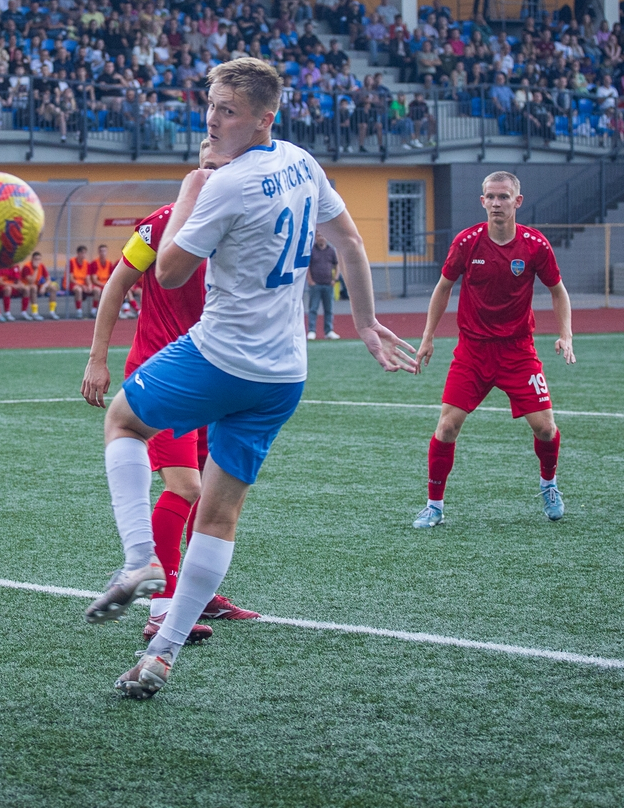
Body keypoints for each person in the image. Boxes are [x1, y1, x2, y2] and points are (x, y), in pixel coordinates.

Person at [90, 57, 416, 699]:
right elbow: (349, 239)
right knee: (218, 514)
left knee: (123, 420)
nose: (212, 118)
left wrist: (189, 189)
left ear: (263, 118)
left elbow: (170, 275)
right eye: (210, 104)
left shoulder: (225, 185)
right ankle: (162, 654)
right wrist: (367, 321)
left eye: (228, 110)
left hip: (221, 357)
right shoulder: (302, 161)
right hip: (284, 374)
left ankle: (140, 558)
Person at [81, 141, 259, 649]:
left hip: (212, 374)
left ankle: (196, 596)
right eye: (205, 166)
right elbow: (117, 285)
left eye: (222, 167)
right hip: (164, 375)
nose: (212, 175)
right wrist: (98, 358)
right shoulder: (159, 225)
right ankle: (161, 608)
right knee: (186, 488)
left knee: (212, 494)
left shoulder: (243, 227)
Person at [411, 171, 576, 529]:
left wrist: (566, 334)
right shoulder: (467, 242)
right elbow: (443, 288)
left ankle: (549, 485)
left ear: (517, 201)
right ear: (482, 201)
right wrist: (428, 336)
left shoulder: (535, 245)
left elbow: (558, 291)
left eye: (503, 197)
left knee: (546, 429)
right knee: (447, 427)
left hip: (518, 351)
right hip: (473, 351)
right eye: (490, 197)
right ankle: (434, 506)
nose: (496, 203)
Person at [304, 233, 338, 340]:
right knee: (313, 308)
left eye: (323, 236)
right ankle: (312, 331)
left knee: (329, 309)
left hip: (328, 284)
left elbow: (337, 264)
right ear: (316, 238)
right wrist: (310, 280)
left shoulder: (331, 251)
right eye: (319, 236)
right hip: (315, 285)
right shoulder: (311, 251)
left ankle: (329, 331)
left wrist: (335, 279)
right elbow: (307, 266)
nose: (321, 238)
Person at [18, 251, 60, 319]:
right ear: (32, 259)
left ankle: (52, 312)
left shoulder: (42, 265)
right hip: (26, 286)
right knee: (34, 287)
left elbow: (48, 279)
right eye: (36, 259)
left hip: (37, 285)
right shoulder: (27, 266)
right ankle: (35, 312)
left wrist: (44, 286)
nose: (37, 261)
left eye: (39, 259)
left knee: (53, 287)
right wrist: (36, 269)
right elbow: (31, 281)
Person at [68, 245, 94, 318]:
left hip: (83, 284)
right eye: (82, 253)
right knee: (78, 290)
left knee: (97, 290)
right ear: (78, 253)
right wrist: (82, 286)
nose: (84, 255)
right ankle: (79, 311)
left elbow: (88, 278)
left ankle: (94, 311)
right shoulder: (71, 262)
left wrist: (89, 286)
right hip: (73, 284)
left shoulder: (86, 263)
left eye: (85, 253)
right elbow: (71, 278)